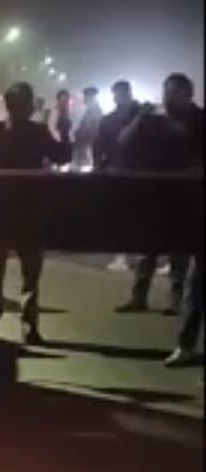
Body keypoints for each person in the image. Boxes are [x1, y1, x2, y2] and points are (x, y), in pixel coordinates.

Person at [0, 81, 71, 345]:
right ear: (28, 106)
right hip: (30, 212)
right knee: (30, 274)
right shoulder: (37, 133)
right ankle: (29, 327)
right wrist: (64, 128)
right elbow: (62, 156)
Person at [115, 73, 202, 317]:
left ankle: (176, 299)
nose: (167, 98)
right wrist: (139, 118)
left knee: (179, 249)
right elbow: (123, 141)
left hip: (184, 193)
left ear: (187, 95)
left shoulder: (198, 118)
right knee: (147, 246)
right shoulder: (153, 118)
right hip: (153, 191)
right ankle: (138, 296)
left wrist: (173, 126)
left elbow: (191, 143)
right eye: (166, 92)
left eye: (173, 93)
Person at [95, 80, 142, 273]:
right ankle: (126, 254)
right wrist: (100, 166)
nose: (118, 98)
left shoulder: (141, 116)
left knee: (133, 216)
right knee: (122, 216)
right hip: (119, 172)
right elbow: (100, 145)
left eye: (120, 94)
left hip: (135, 172)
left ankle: (131, 255)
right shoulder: (110, 119)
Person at [72, 86, 103, 169]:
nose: (84, 99)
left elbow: (87, 128)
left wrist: (75, 135)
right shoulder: (90, 110)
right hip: (85, 145)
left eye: (86, 96)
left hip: (87, 145)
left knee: (84, 169)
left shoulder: (94, 111)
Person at [50, 88, 74, 163]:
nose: (64, 102)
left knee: (68, 163)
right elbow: (51, 127)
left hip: (68, 143)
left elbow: (74, 127)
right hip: (56, 143)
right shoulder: (54, 112)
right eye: (62, 100)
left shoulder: (72, 112)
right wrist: (59, 140)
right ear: (58, 100)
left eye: (66, 100)